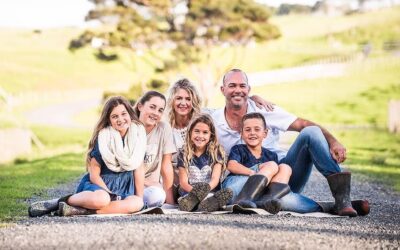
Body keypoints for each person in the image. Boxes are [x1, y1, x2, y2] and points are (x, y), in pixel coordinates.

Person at [211, 68, 370, 216]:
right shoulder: (213, 120)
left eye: (242, 86)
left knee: (311, 132)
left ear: (248, 89)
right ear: (222, 90)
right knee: (284, 201)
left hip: (280, 178)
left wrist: (333, 141)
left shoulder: (265, 110)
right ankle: (327, 207)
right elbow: (188, 111)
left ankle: (343, 199)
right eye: (232, 86)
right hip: (245, 179)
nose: (237, 90)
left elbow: (303, 124)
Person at [28, 96, 146, 217]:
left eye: (123, 114)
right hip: (98, 187)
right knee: (102, 199)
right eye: (115, 116)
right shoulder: (104, 139)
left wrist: (140, 199)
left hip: (124, 189)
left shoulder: (138, 136)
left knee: (136, 203)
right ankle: (59, 201)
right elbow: (94, 175)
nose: (120, 119)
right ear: (109, 120)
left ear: (130, 114)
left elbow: (139, 169)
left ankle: (80, 210)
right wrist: (110, 195)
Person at [225, 112, 292, 214]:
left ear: (265, 133)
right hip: (237, 186)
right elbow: (231, 165)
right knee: (273, 165)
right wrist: (253, 173)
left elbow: (275, 179)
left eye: (257, 129)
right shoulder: (238, 149)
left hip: (260, 192)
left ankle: (265, 201)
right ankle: (240, 201)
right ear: (241, 134)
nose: (252, 133)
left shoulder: (271, 155)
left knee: (285, 167)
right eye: (248, 130)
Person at [176, 114, 232, 212]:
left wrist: (204, 191)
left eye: (205, 132)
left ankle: (207, 204)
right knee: (187, 199)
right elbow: (183, 182)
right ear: (190, 133)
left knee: (213, 197)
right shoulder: (184, 153)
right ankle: (191, 204)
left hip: (209, 191)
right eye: (196, 131)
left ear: (211, 135)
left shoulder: (216, 153)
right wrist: (196, 193)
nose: (200, 136)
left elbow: (215, 179)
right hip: (189, 191)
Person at [133, 91, 176, 207]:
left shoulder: (163, 128)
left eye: (160, 110)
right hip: (128, 183)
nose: (156, 113)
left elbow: (166, 165)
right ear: (140, 106)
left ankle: (132, 204)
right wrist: (148, 182)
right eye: (152, 107)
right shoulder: (130, 128)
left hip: (149, 189)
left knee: (157, 196)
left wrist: (171, 203)